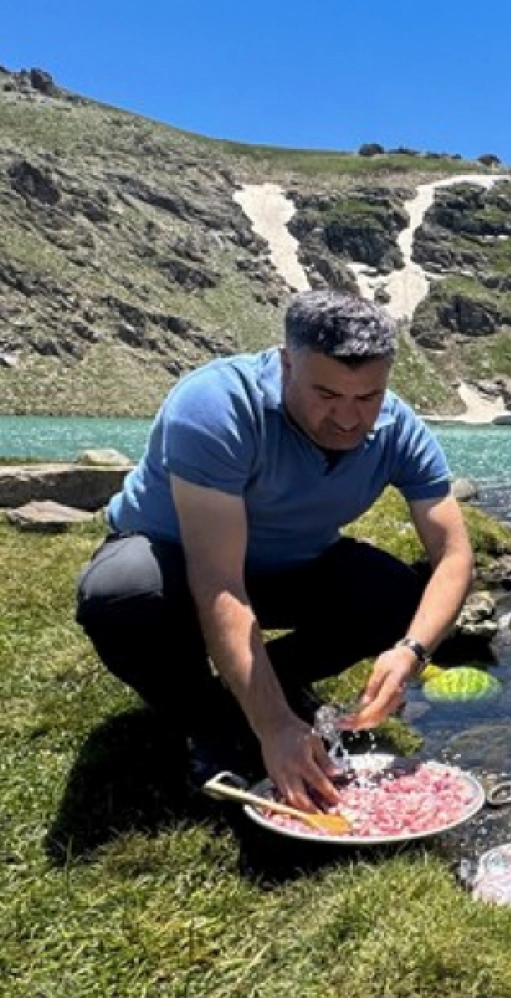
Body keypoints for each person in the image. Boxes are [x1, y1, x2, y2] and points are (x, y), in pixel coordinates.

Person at [75, 290, 473, 811]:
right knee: (121, 597)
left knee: (399, 598)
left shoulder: (398, 426)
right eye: (326, 394)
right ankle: (208, 718)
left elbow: (453, 556)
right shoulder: (215, 405)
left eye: (367, 397)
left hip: (287, 566)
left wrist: (412, 651)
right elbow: (218, 580)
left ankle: (273, 683)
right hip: (173, 562)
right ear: (287, 363)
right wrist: (275, 726)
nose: (349, 419)